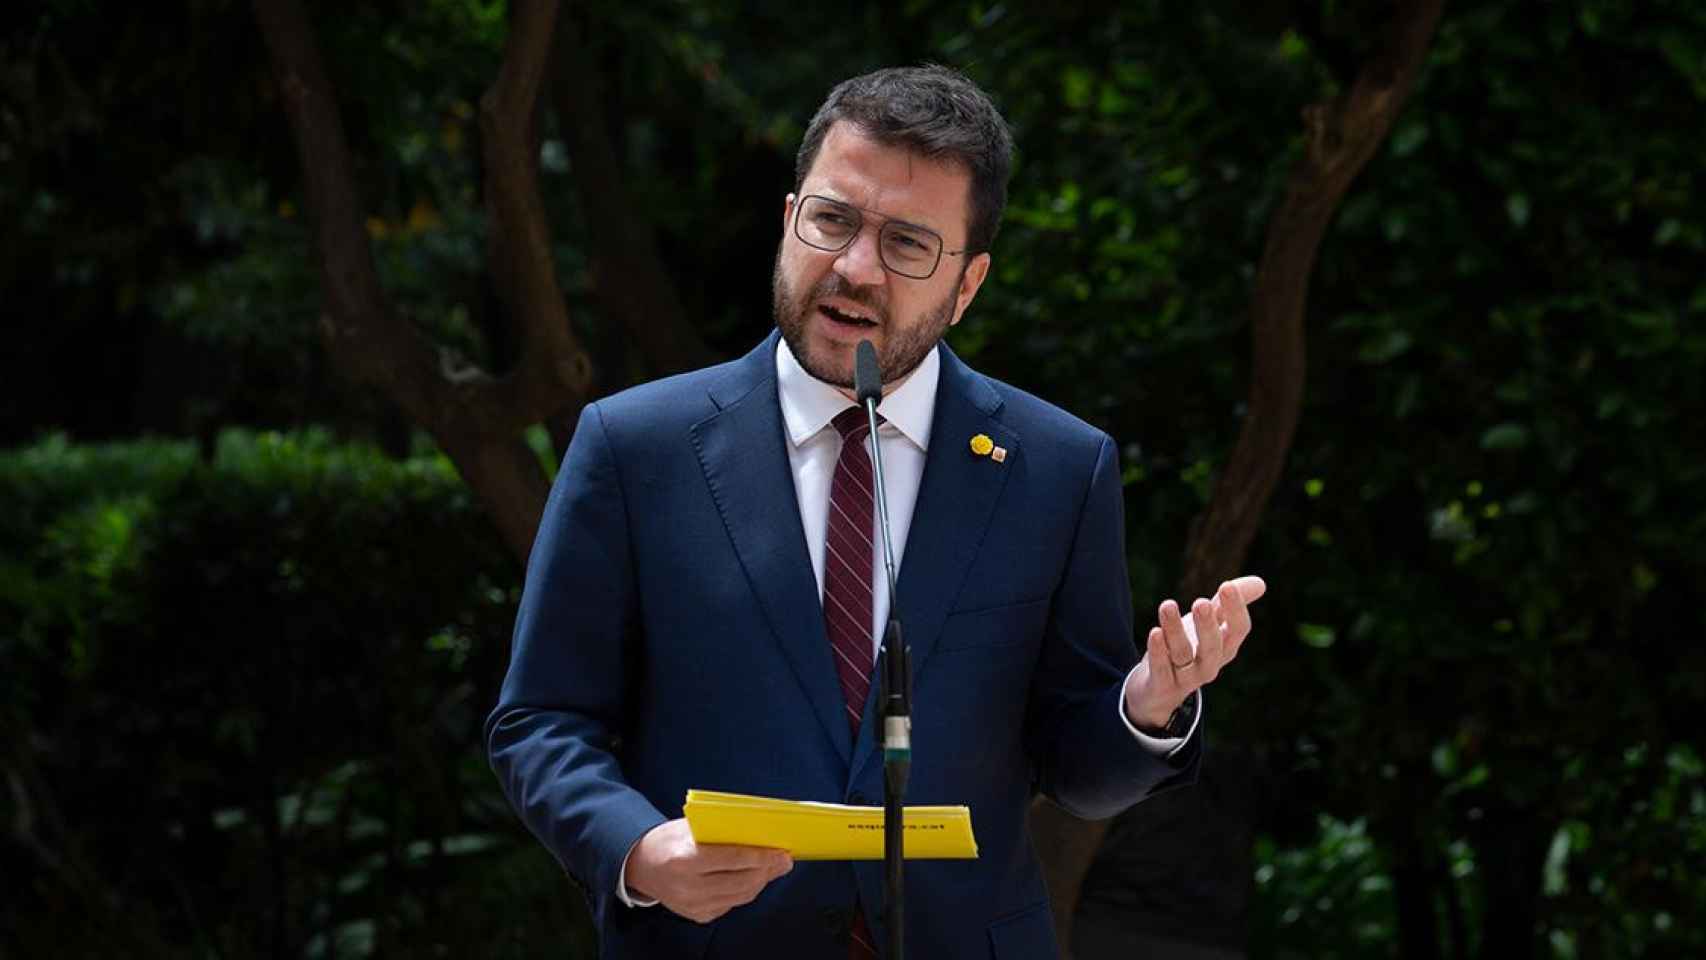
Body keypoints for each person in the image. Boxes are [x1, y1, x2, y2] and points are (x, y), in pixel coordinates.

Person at [485, 64, 1264, 959]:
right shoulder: (635, 447)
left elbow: (1076, 766)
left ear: (967, 285)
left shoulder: (1056, 467)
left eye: (906, 245)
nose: (855, 268)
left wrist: (1146, 703)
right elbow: (540, 720)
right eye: (833, 220)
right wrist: (635, 848)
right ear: (787, 221)